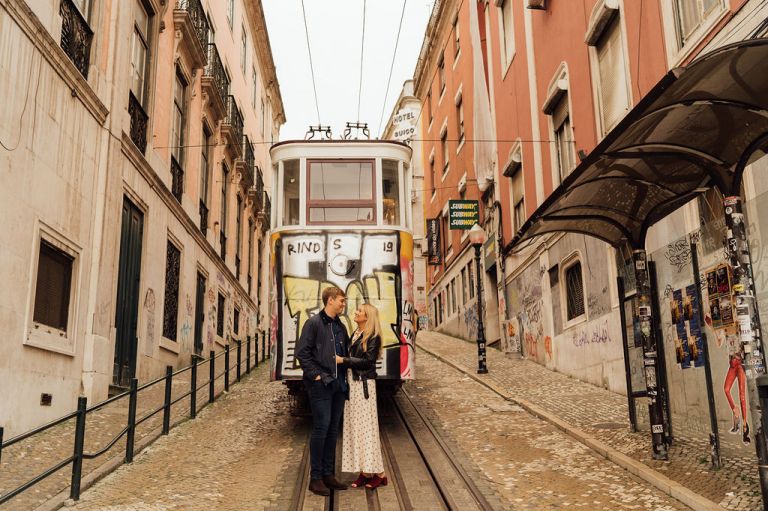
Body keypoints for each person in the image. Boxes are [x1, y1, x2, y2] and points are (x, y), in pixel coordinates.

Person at [296, 287, 350, 496]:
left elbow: (345, 353)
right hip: (321, 386)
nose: (343, 304)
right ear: (330, 301)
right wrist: (316, 375)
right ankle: (316, 478)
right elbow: (302, 353)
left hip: (338, 385)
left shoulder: (340, 326)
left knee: (333, 430)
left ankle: (328, 474)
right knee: (321, 428)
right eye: (341, 300)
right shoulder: (313, 323)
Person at [339, 303, 388, 490]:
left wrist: (344, 360)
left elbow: (368, 362)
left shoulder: (373, 336)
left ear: (367, 317)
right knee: (357, 428)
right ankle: (366, 472)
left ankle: (380, 474)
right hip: (354, 384)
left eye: (360, 311)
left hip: (364, 386)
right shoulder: (356, 333)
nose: (356, 312)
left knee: (367, 429)